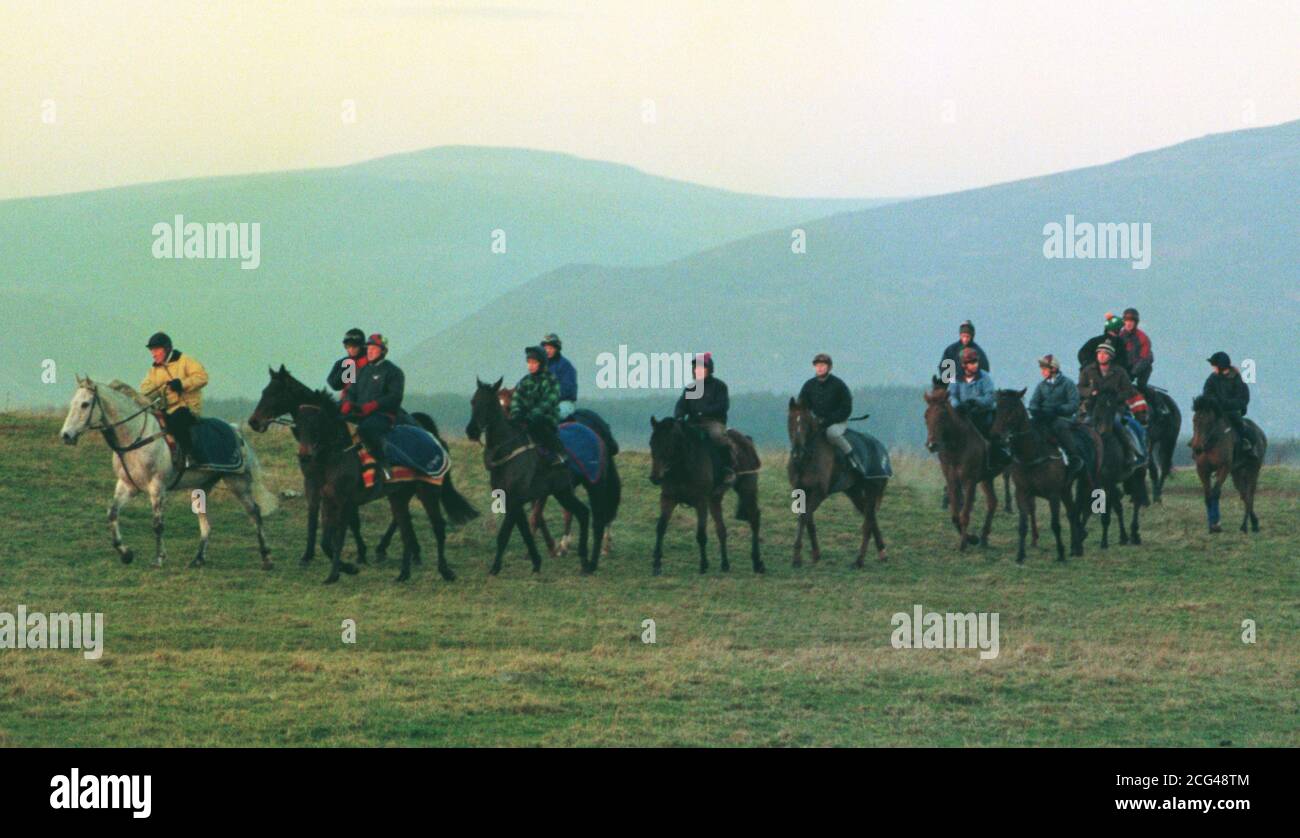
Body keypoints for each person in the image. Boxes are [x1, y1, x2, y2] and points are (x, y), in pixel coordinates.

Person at [141, 331, 208, 467]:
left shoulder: (186, 361)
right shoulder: (153, 371)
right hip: (168, 409)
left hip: (188, 408)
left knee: (177, 419)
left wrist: (182, 384)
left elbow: (202, 377)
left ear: (167, 349)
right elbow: (146, 391)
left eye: (156, 350)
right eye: (151, 351)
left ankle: (191, 455)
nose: (153, 354)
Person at [342, 333, 404, 479]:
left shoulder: (394, 372)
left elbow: (395, 397)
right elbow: (352, 390)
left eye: (374, 348)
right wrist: (347, 402)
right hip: (359, 413)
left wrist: (373, 406)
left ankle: (384, 465)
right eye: (368, 347)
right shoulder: (363, 370)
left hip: (382, 416)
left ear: (383, 351)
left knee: (366, 429)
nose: (369, 351)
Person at [797, 353, 866, 478]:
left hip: (837, 422)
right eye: (817, 365)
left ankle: (852, 458)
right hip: (816, 422)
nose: (819, 368)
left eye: (823, 365)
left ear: (829, 368)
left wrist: (829, 420)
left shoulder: (839, 385)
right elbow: (802, 405)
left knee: (832, 434)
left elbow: (846, 408)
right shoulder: (809, 385)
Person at [1078, 341, 1143, 466]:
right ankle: (1079, 458)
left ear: (1110, 356)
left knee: (1119, 425)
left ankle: (1131, 453)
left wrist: (1115, 397)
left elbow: (1129, 391)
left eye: (1105, 353)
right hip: (1092, 407)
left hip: (1114, 408)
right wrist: (1091, 392)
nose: (1101, 356)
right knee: (1082, 427)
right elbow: (1080, 388)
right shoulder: (1088, 370)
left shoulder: (1119, 372)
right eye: (1099, 353)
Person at [674, 352, 733, 484]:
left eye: (701, 368)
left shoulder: (720, 386)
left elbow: (723, 405)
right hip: (693, 423)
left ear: (709, 369)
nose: (697, 371)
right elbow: (681, 404)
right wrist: (679, 416)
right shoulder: (690, 388)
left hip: (713, 422)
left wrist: (703, 412)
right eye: (695, 368)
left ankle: (727, 468)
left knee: (717, 436)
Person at [948, 347, 1005, 469]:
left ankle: (995, 459)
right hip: (963, 414)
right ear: (963, 364)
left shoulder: (984, 377)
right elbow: (951, 395)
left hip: (983, 413)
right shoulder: (955, 377)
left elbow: (990, 396)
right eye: (971, 363)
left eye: (976, 362)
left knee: (991, 435)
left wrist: (976, 402)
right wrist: (957, 405)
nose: (975, 365)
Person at [1027, 354, 1083, 474]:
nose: (1042, 371)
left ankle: (1073, 456)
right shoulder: (1041, 385)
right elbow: (1033, 403)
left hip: (1063, 418)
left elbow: (1074, 403)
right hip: (1045, 417)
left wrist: (1059, 409)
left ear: (1053, 369)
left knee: (1059, 426)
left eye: (1044, 369)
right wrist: (1036, 411)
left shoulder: (1068, 383)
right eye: (1041, 369)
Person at [511, 345, 566, 465]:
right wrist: (516, 412)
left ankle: (559, 454)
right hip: (526, 417)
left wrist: (533, 414)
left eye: (534, 362)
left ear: (541, 363)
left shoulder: (550, 380)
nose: (530, 365)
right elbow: (516, 397)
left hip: (546, 418)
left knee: (540, 427)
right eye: (528, 362)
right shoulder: (525, 381)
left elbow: (549, 401)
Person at [1201, 351, 1255, 458]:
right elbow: (1206, 393)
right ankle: (1197, 442)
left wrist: (1225, 404)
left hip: (1232, 411)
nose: (1213, 368)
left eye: (1214, 366)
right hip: (1216, 410)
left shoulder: (1237, 379)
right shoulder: (1212, 378)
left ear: (1221, 367)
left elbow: (1242, 399)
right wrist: (1211, 402)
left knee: (1239, 424)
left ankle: (1246, 443)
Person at [541, 333, 577, 420]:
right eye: (545, 348)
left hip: (563, 403)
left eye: (551, 348)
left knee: (550, 417)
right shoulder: (538, 366)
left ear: (557, 349)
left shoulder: (565, 366)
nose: (547, 351)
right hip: (542, 404)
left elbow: (567, 389)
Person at [1118, 308, 1153, 391]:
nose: (1129, 324)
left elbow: (1144, 358)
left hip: (1142, 369)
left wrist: (1132, 373)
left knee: (1141, 387)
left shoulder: (1142, 338)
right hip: (1126, 369)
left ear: (1135, 323)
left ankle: (1156, 401)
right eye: (1127, 321)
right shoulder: (1119, 336)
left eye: (1131, 321)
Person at [327, 328, 368, 397]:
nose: (351, 349)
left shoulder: (371, 361)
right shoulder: (343, 363)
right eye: (348, 346)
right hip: (347, 402)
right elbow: (334, 384)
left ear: (362, 345)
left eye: (355, 346)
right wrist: (344, 372)